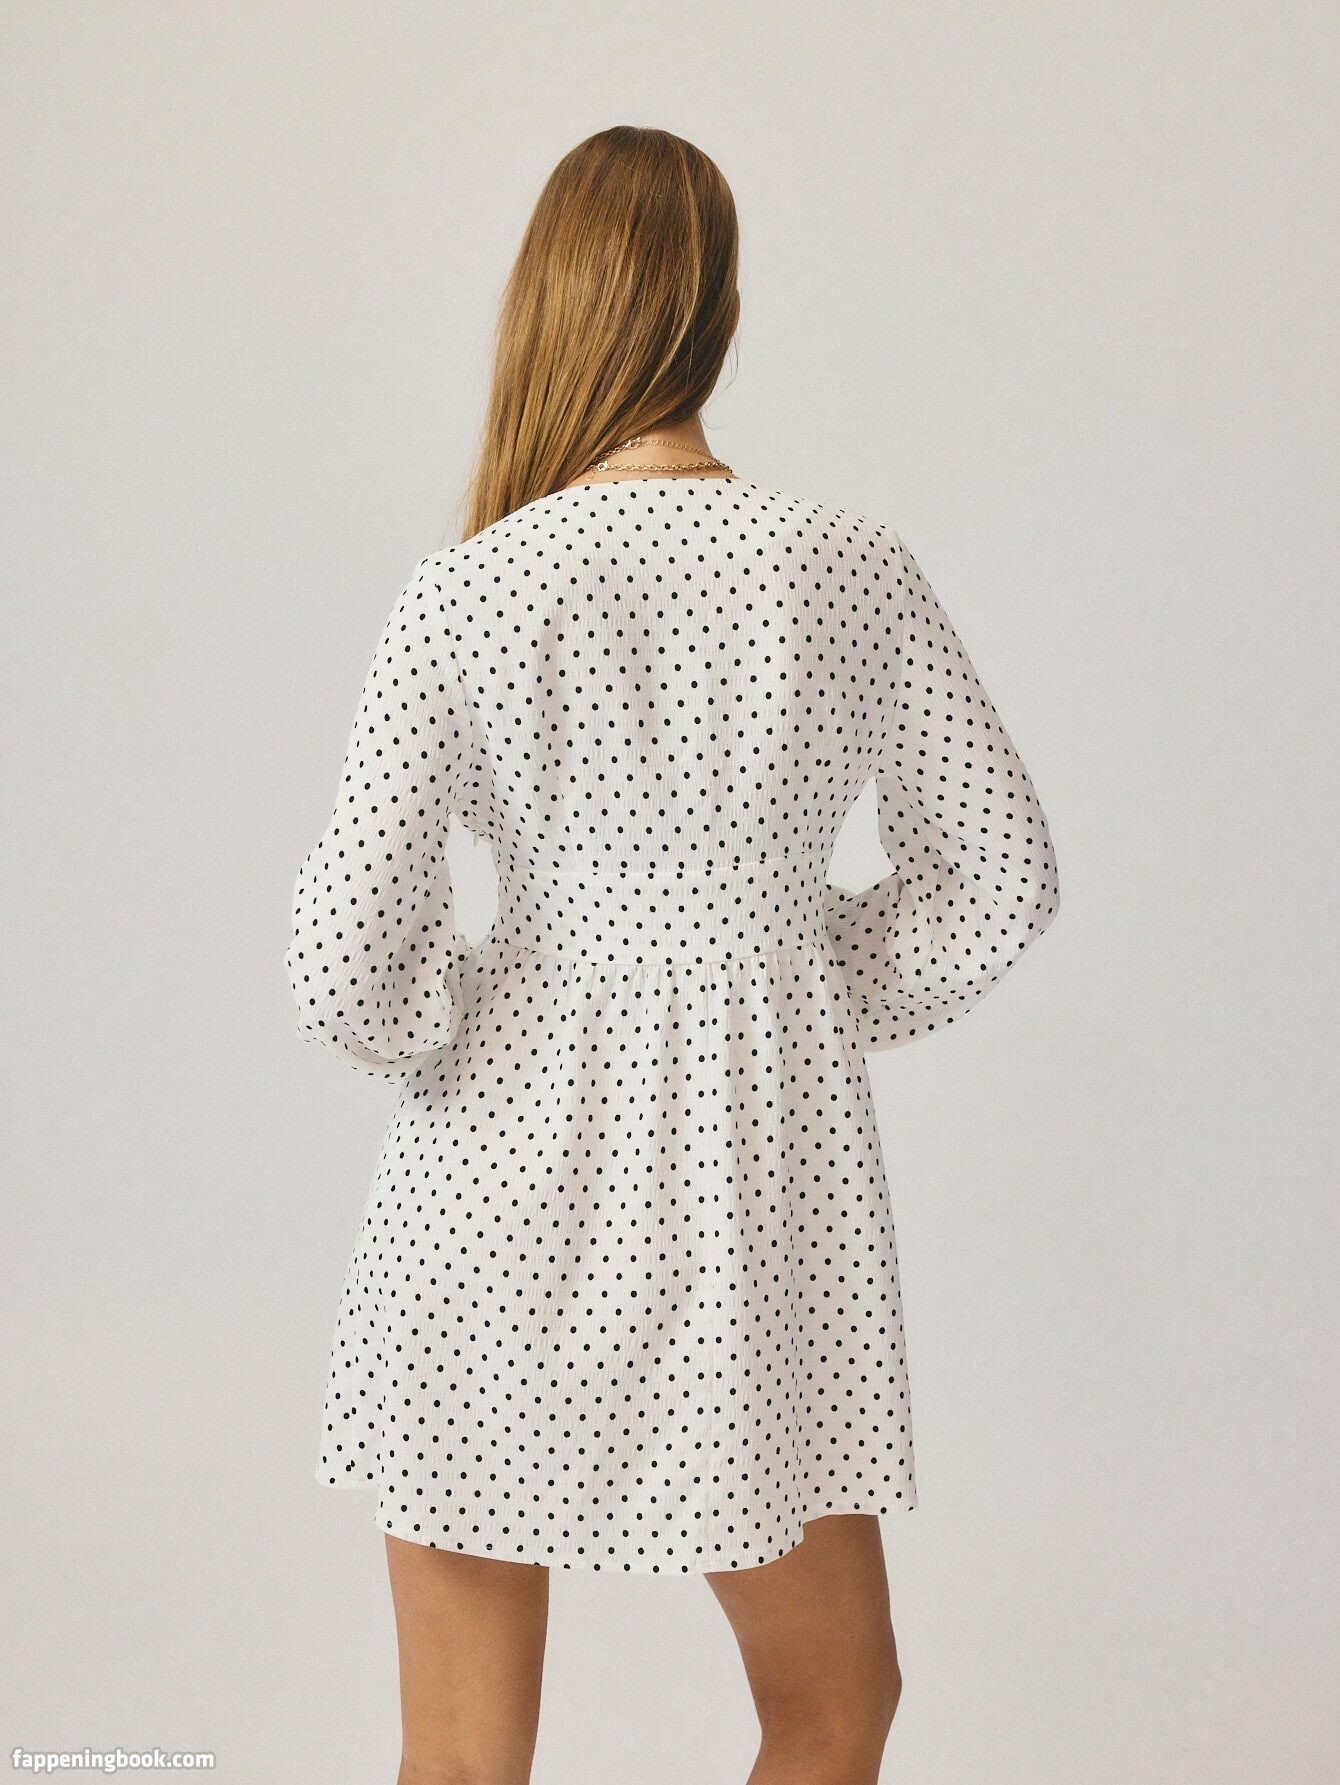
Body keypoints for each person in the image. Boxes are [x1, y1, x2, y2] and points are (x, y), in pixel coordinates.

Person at [285, 124, 1060, 1785]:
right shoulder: (852, 566)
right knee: (833, 1707)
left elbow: (345, 961)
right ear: (721, 309)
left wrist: (478, 1011)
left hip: (486, 1207)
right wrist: (794, 982)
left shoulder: (467, 593)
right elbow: (998, 878)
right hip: (755, 1204)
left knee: (459, 1762)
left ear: (547, 306)